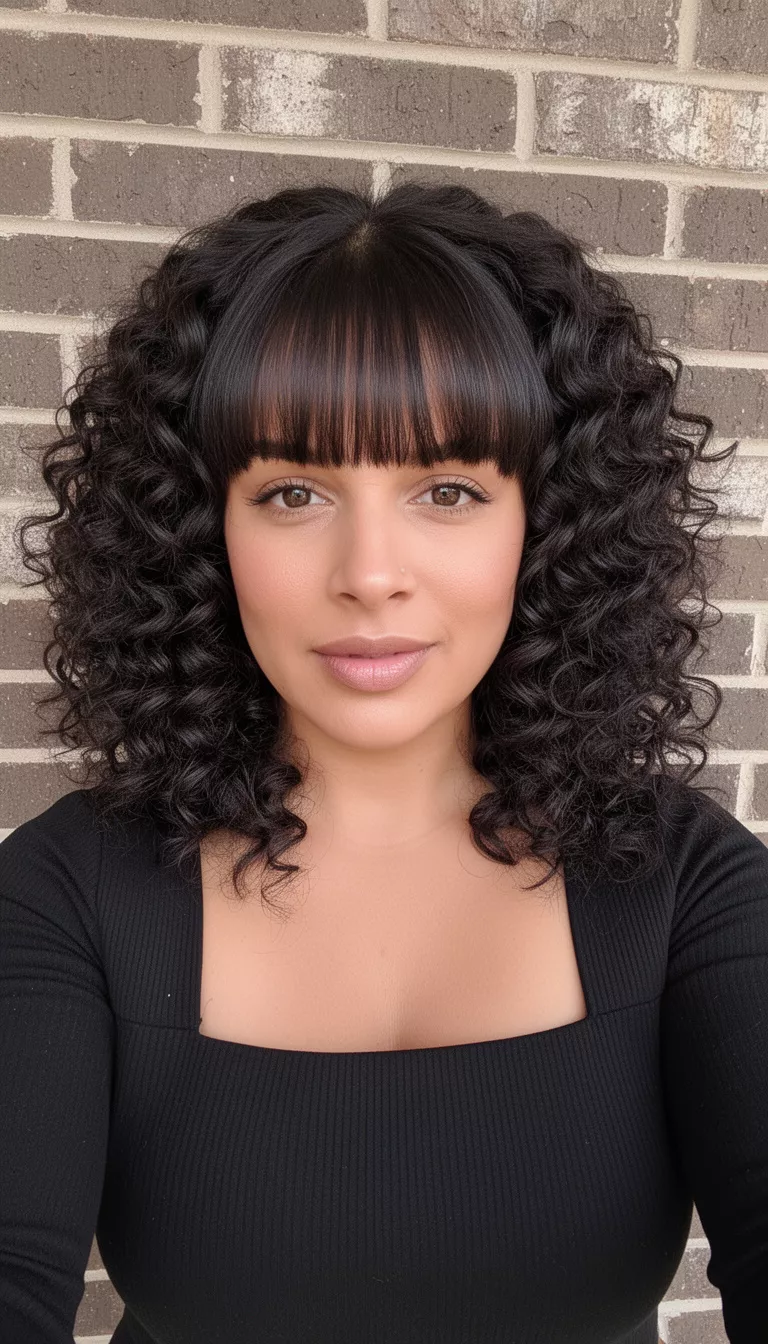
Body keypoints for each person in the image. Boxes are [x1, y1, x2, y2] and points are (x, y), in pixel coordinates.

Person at [0, 180, 765, 1344]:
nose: (370, 571)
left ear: (546, 523)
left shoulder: (686, 885)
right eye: (294, 492)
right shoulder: (67, 894)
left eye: (448, 490)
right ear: (206, 528)